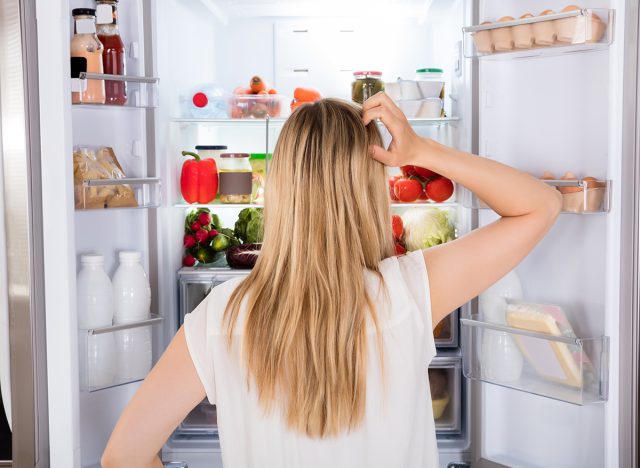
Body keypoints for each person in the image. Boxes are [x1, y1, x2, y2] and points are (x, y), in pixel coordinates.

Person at [102, 94, 562, 468]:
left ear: (280, 187)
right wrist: (422, 151)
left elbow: (123, 456)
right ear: (369, 188)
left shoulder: (219, 316)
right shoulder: (410, 291)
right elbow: (540, 205)